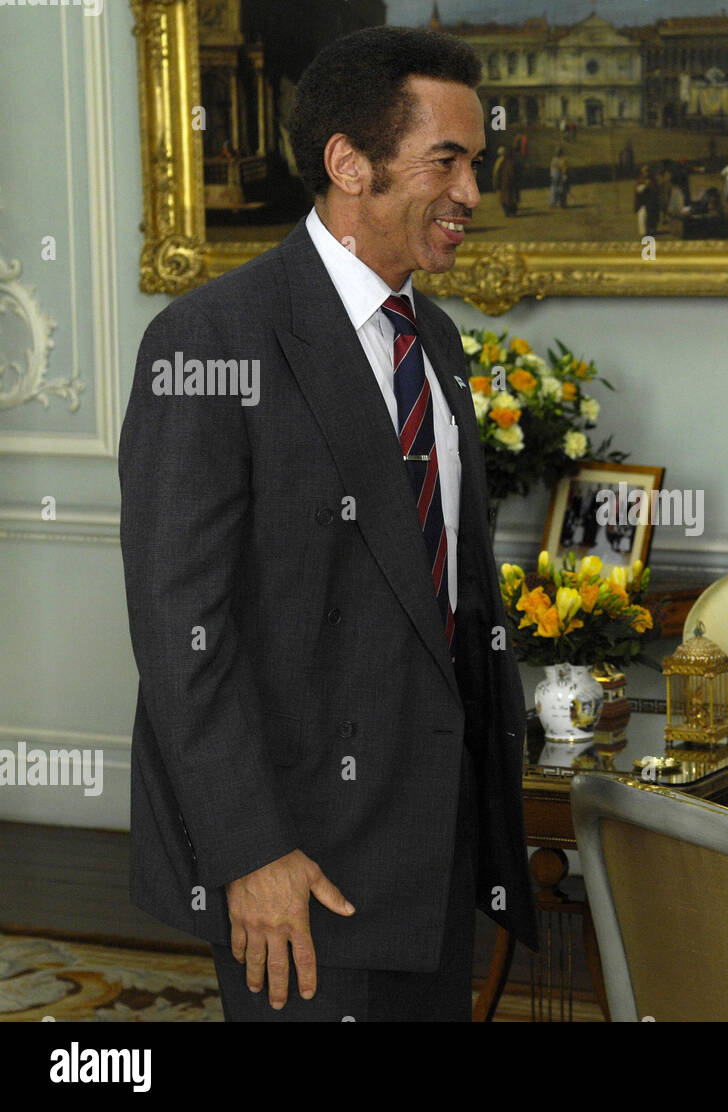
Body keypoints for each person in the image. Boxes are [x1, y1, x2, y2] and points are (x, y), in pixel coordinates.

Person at [119, 25, 538, 1022]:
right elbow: (183, 632)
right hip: (300, 867)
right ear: (349, 162)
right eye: (447, 161)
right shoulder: (208, 338)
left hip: (435, 851)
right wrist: (248, 850)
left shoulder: (430, 337)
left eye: (476, 164)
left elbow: (445, 587)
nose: (472, 193)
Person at [493, 143, 519, 216]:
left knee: (508, 198)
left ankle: (510, 211)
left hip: (506, 183)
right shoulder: (503, 161)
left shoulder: (504, 161)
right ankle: (509, 211)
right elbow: (497, 174)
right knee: (507, 198)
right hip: (505, 183)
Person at [634, 164, 659, 237]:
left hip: (651, 202)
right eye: (645, 171)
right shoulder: (640, 180)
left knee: (652, 217)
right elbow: (637, 190)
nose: (646, 173)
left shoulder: (653, 179)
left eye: (648, 171)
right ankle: (644, 231)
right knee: (642, 218)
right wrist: (645, 185)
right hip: (642, 202)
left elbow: (656, 190)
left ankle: (652, 230)